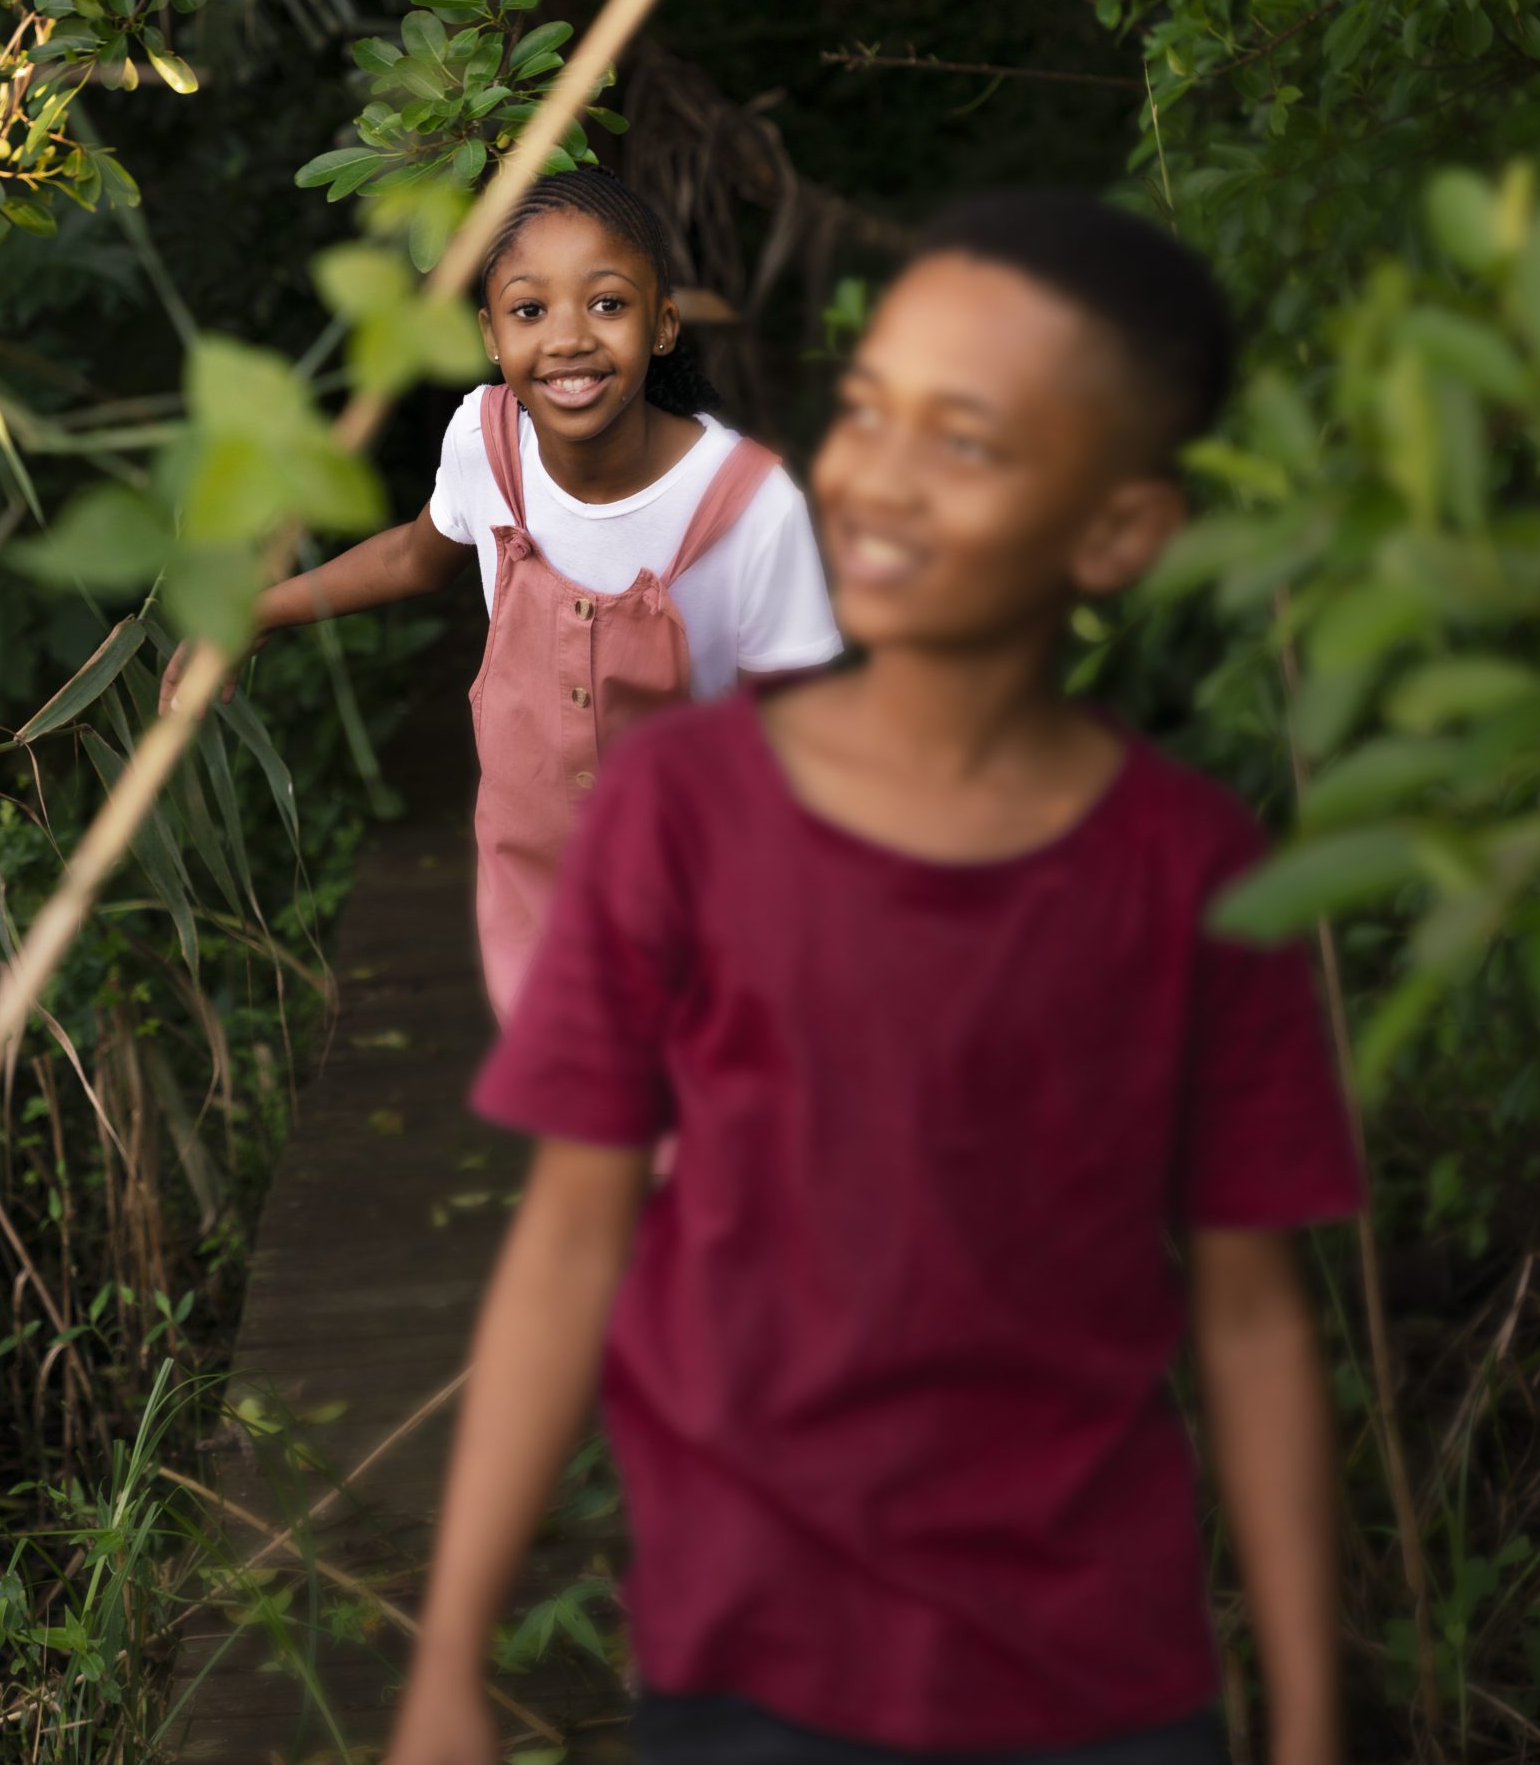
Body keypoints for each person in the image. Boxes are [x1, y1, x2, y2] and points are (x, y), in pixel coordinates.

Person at [387, 187, 1363, 1765]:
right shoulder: (679, 816)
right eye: (870, 414)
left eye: (967, 441)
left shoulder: (1190, 872)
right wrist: (447, 1662)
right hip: (749, 1660)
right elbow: (571, 1240)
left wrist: (1308, 1721)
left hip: (1098, 1676)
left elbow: (1252, 1316)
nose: (882, 481)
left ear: (1118, 529)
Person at [161, 167, 840, 1016]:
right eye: (530, 310)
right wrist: (257, 610)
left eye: (607, 304)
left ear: (663, 323)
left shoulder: (748, 504)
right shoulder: (485, 448)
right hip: (537, 900)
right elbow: (414, 559)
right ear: (489, 334)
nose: (567, 339)